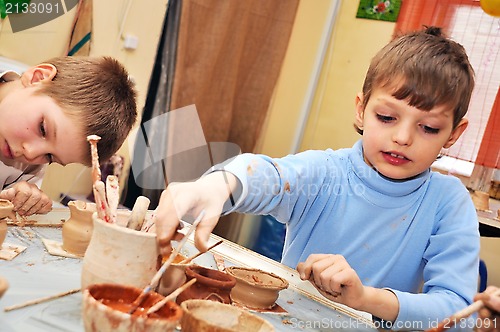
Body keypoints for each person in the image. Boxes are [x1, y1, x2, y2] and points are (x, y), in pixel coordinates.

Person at [154, 26, 479, 329]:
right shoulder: (326, 172)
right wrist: (219, 183)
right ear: (360, 109)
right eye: (387, 117)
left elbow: (458, 314)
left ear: (453, 134)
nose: (403, 137)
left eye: (429, 128)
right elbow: (269, 176)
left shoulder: (448, 203)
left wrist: (364, 299)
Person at [0, 56, 137, 216]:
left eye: (50, 157)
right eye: (42, 129)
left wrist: (20, 198)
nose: (30, 153)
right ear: (38, 78)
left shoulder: (31, 167)